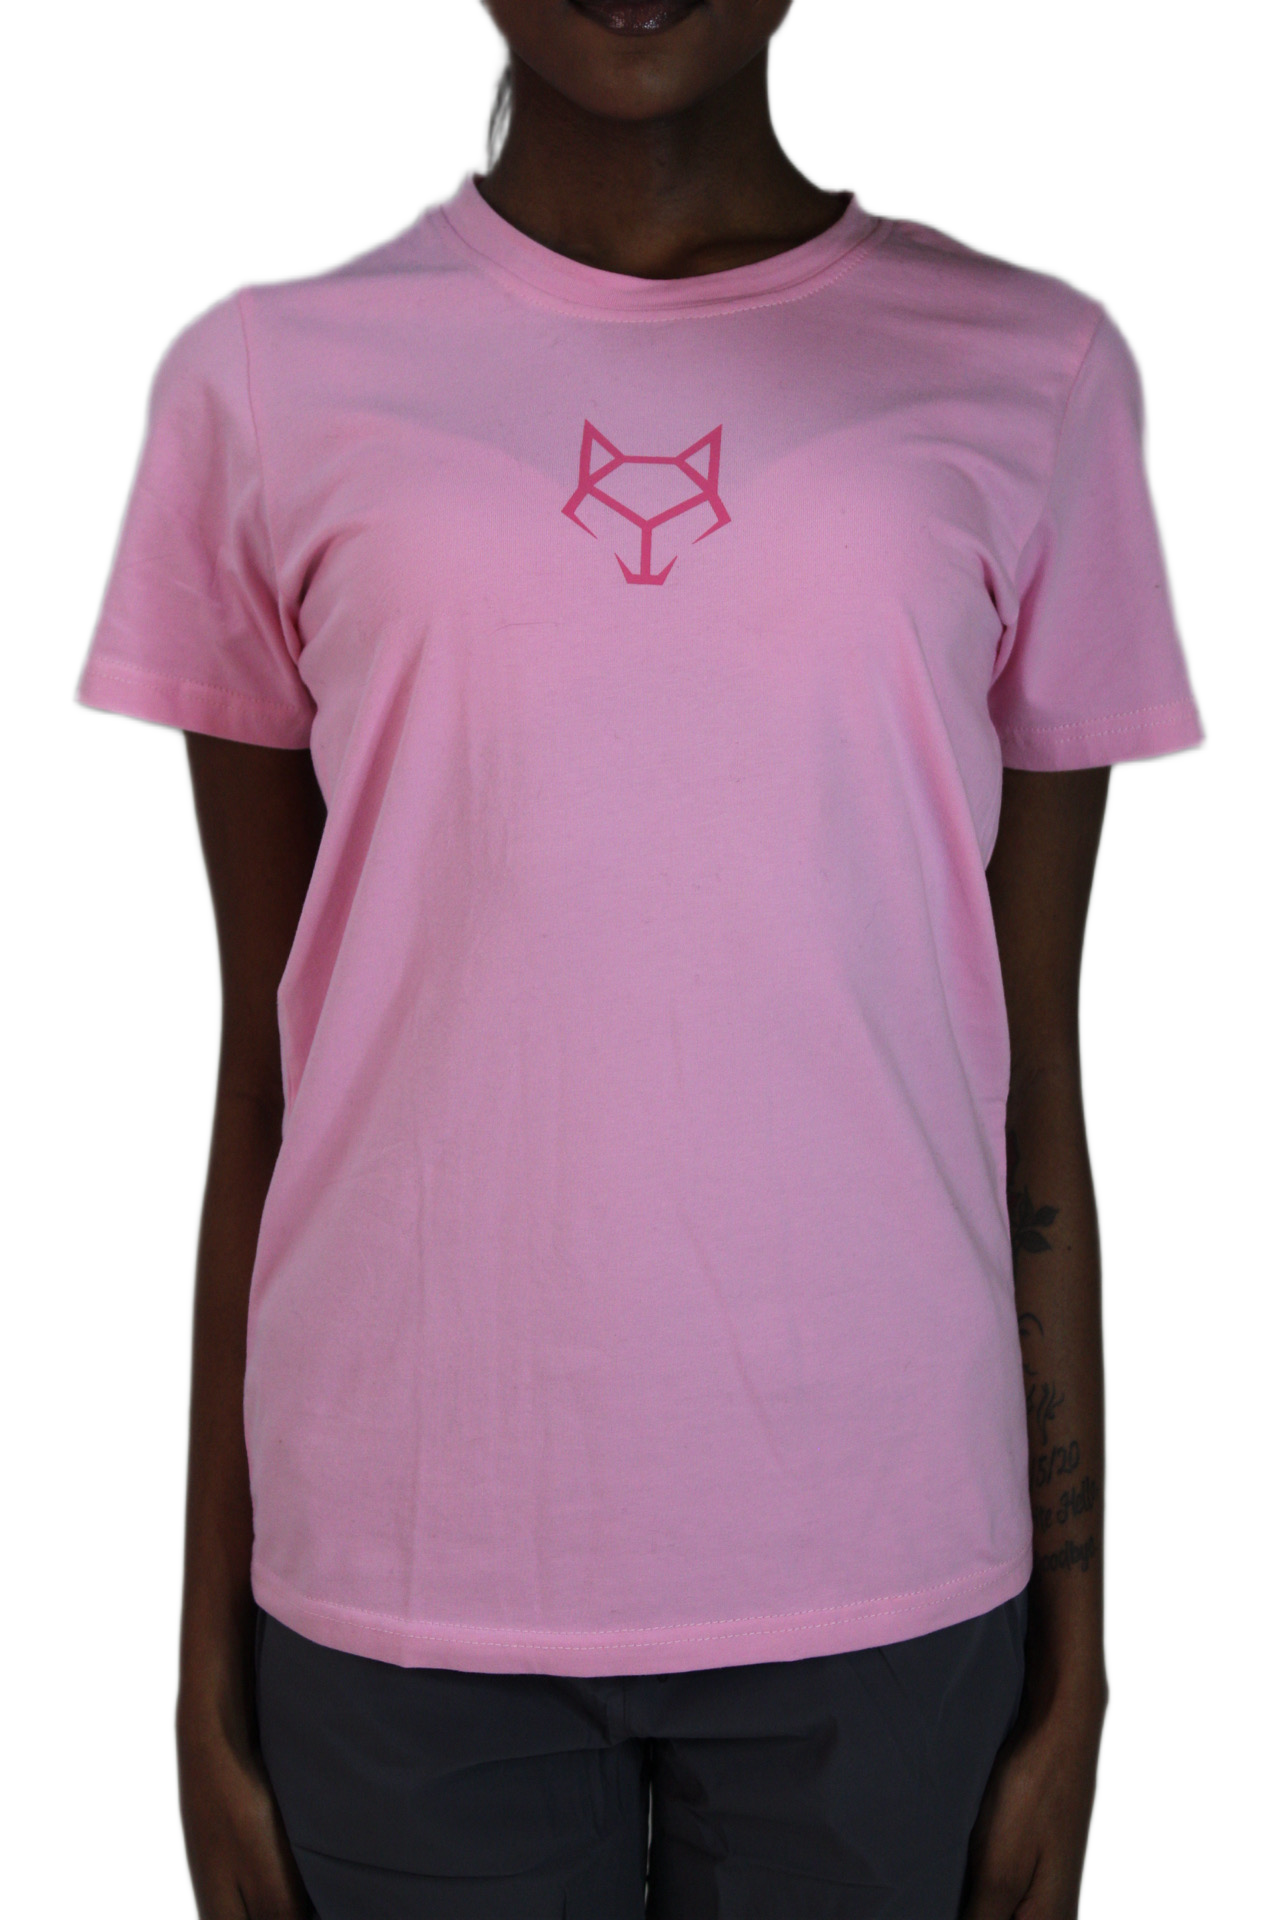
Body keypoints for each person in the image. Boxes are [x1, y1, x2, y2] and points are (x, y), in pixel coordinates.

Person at [76, 2, 1204, 1915]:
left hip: (890, 1580)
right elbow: (269, 1077)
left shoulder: (1036, 373)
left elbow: (1030, 1072)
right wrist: (202, 1669)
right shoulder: (263, 386)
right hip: (400, 1590)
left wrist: (1079, 1663)